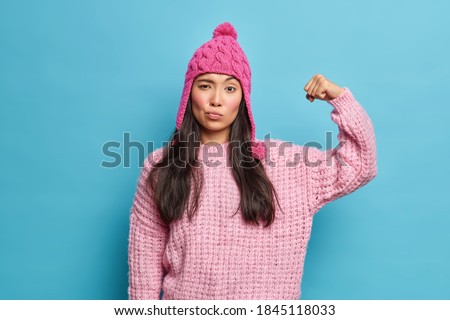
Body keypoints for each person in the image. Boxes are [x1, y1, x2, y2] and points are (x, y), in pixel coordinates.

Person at [127, 22, 377, 300]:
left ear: (243, 99)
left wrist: (340, 99)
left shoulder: (286, 165)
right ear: (189, 93)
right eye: (206, 85)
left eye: (230, 89)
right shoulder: (160, 167)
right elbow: (144, 268)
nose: (216, 100)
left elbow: (360, 164)